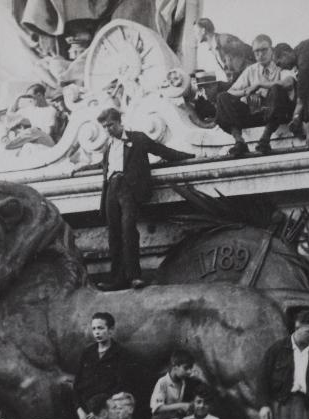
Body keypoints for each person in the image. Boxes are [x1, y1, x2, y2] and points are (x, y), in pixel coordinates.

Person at [96, 107, 193, 290]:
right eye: (104, 127)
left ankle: (134, 276)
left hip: (128, 188)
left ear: (119, 122)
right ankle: (117, 279)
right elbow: (103, 165)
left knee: (128, 230)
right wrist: (76, 170)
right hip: (111, 189)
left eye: (110, 125)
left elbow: (161, 151)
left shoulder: (138, 138)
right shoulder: (108, 146)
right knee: (113, 234)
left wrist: (188, 157)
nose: (108, 130)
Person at [214, 35, 297, 158]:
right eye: (257, 51)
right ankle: (239, 141)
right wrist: (248, 93)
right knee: (222, 97)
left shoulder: (280, 66)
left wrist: (259, 85)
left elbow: (288, 82)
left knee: (277, 89)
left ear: (272, 50)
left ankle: (265, 139)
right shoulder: (251, 70)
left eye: (264, 50)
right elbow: (232, 92)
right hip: (255, 112)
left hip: (276, 114)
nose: (260, 54)